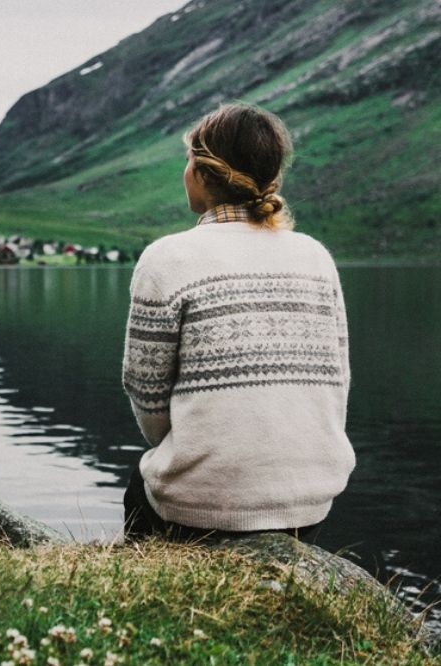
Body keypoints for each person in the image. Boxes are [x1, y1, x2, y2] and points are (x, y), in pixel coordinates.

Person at [121, 102, 355, 542]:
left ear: (205, 174)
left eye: (189, 160)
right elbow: (336, 384)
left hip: (199, 505)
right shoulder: (316, 257)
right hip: (310, 501)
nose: (185, 171)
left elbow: (149, 402)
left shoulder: (167, 259)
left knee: (139, 488)